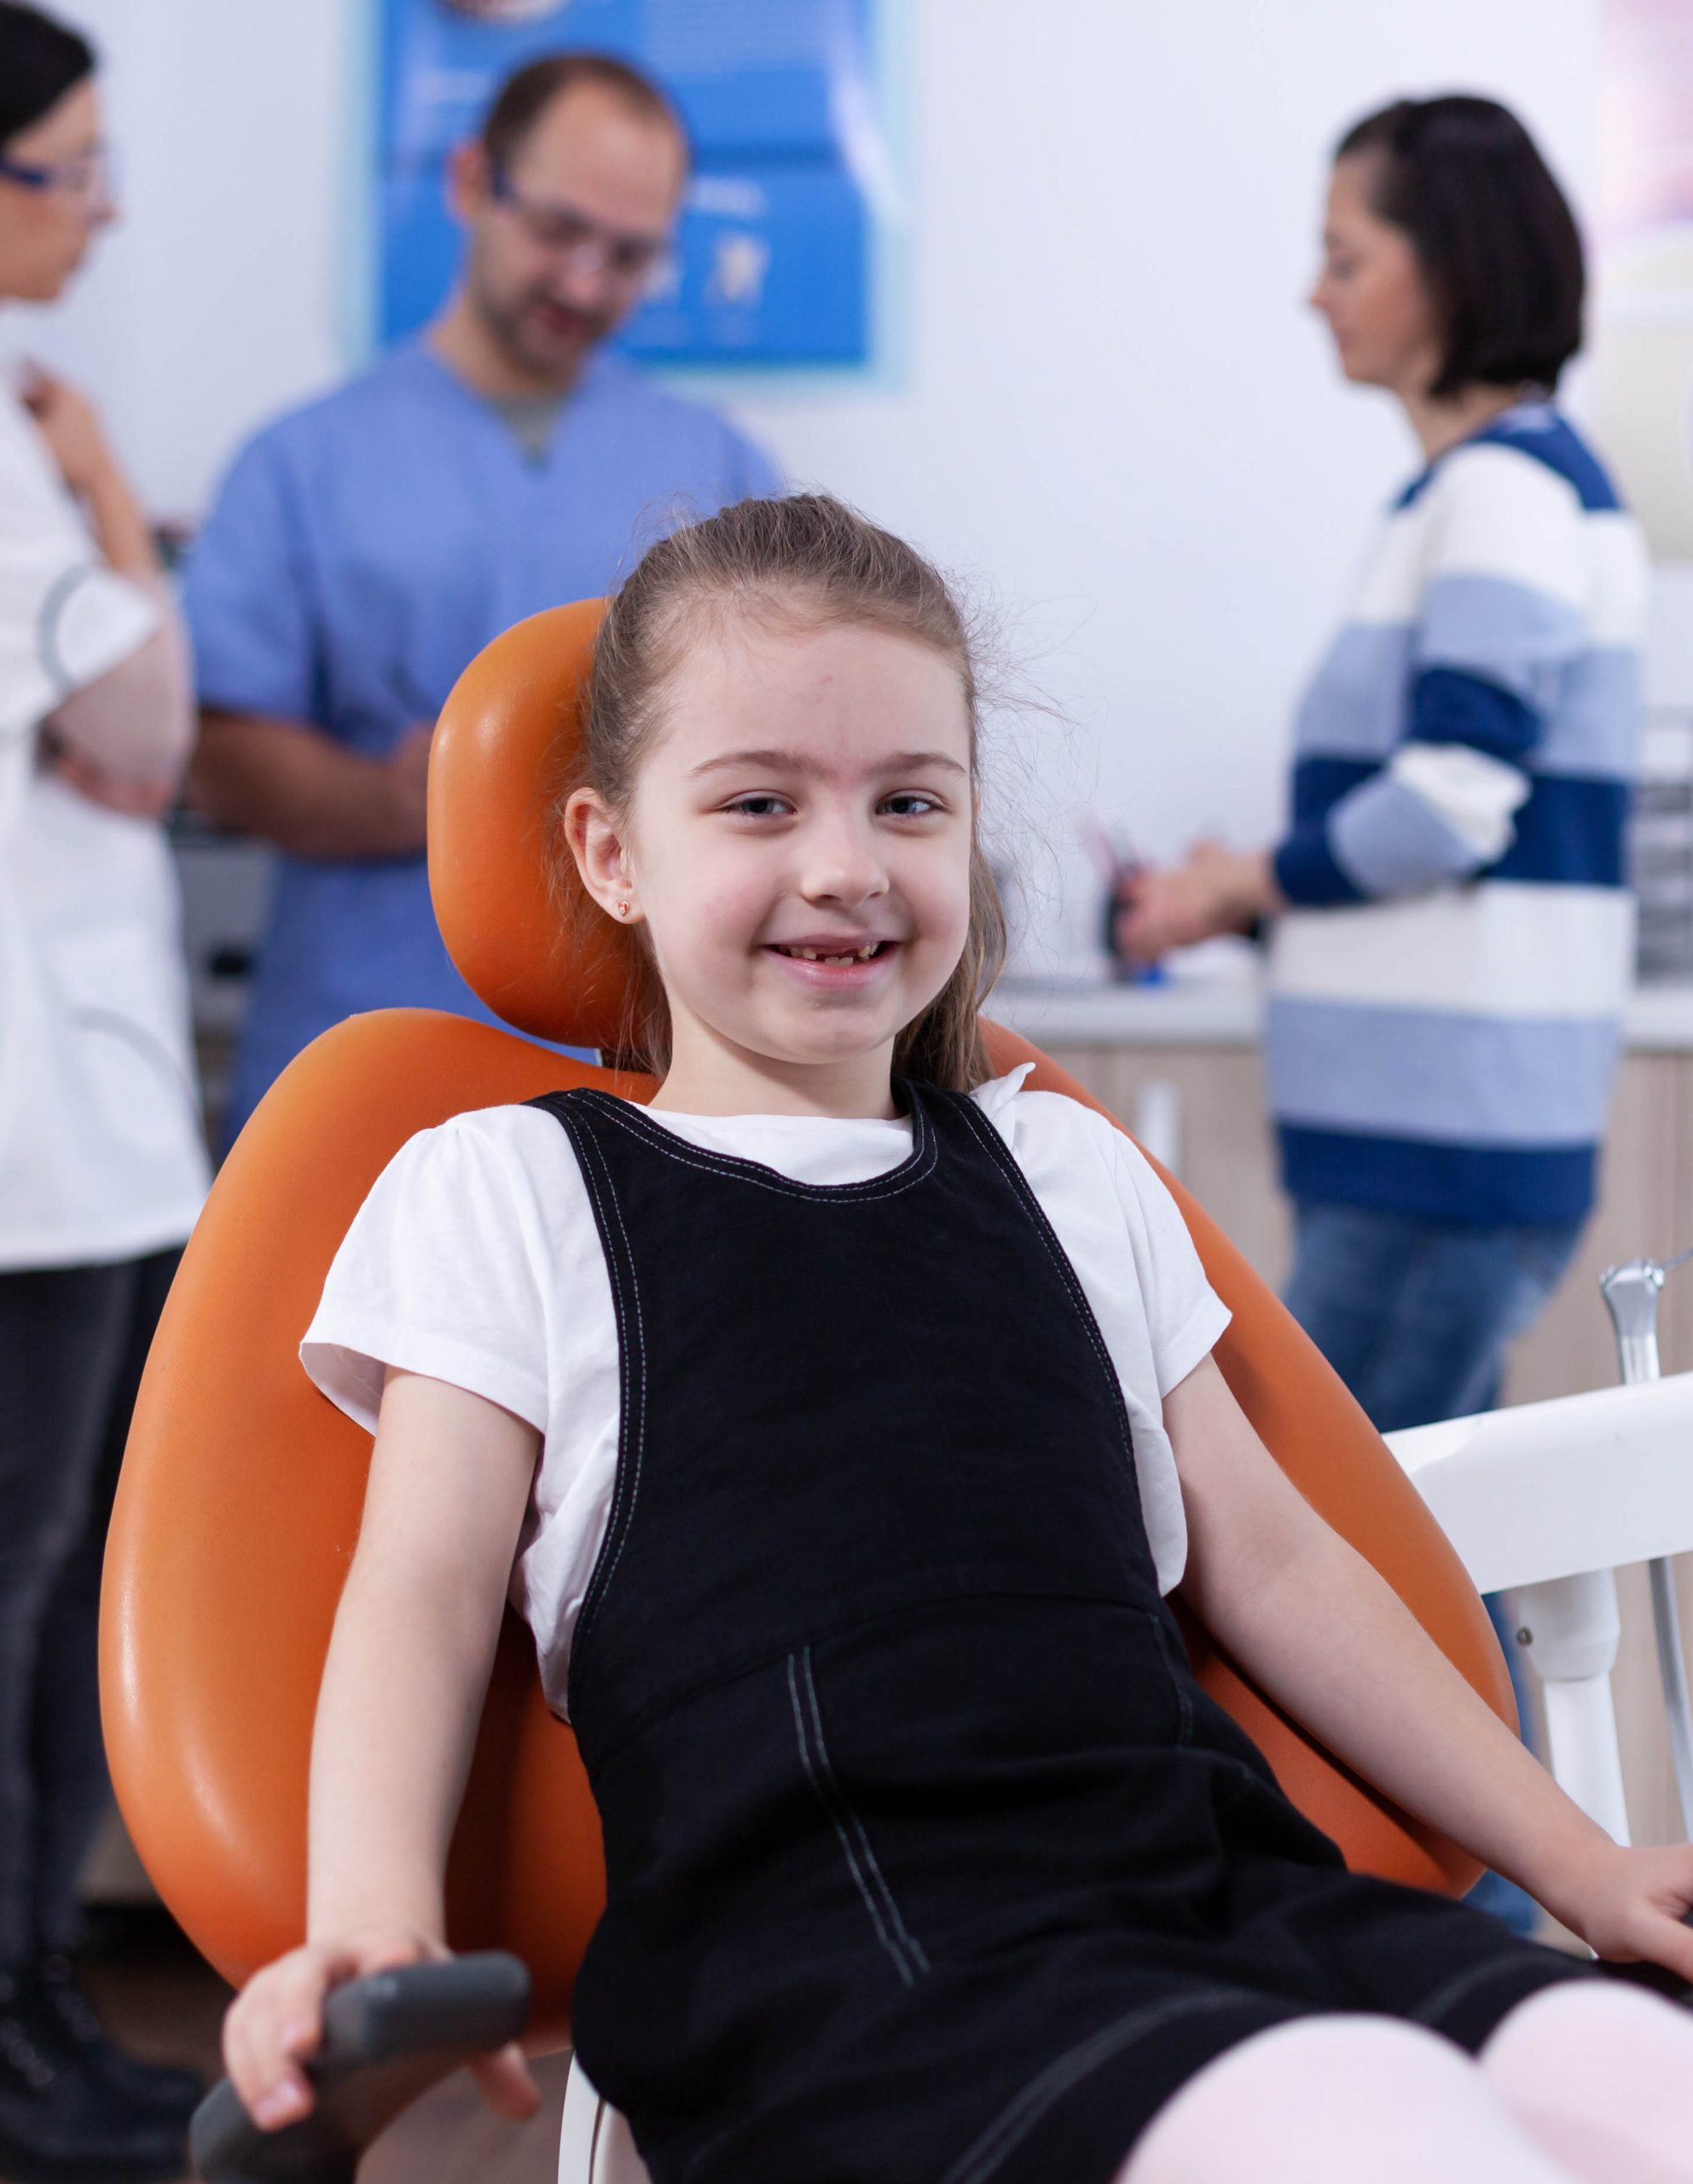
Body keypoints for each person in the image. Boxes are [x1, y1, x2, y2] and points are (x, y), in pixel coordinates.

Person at [223, 494, 1693, 2184]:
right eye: (759, 801)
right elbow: (414, 1589)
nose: (845, 862)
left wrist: (1582, 1864)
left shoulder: (1062, 1164)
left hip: (1216, 1896)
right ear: (611, 852)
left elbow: (1276, 1563)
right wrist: (374, 1928)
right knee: (1375, 2127)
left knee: (1633, 2075)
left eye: (908, 801)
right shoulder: (510, 1188)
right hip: (845, 1981)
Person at [1116, 99, 1645, 1931]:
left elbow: (1455, 800)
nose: (1313, 289)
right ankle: (1500, 1969)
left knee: (1350, 1580)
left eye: (1345, 252)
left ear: (1452, 267)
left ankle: (1488, 1971)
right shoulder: (1470, 495)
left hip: (1442, 1148)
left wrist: (1234, 884)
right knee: (1419, 1563)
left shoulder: (1498, 491)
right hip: (1434, 1141)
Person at [0, 2, 208, 2177]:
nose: (100, 211)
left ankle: (17, 1999)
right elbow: (152, 717)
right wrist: (112, 493)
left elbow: (121, 727)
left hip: (62, 1095)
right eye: (70, 169)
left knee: (45, 1545)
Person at [183, 49, 780, 1146]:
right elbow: (216, 746)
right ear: (470, 181)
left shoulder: (716, 467)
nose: (587, 283)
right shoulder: (300, 463)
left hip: (648, 1082)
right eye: (558, 232)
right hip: (361, 1054)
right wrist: (399, 800)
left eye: (631, 254)